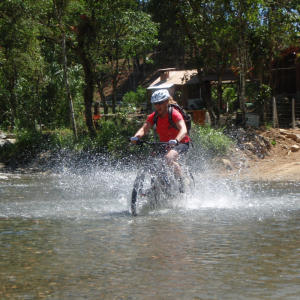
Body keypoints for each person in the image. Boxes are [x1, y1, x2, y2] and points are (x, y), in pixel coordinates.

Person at [130, 89, 191, 191]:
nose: (157, 106)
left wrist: (176, 140)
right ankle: (160, 187)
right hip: (164, 144)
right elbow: (144, 129)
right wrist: (136, 137)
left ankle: (182, 182)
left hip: (181, 142)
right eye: (155, 103)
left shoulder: (174, 114)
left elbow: (183, 129)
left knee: (168, 158)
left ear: (166, 102)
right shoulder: (154, 116)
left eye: (160, 103)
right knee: (153, 161)